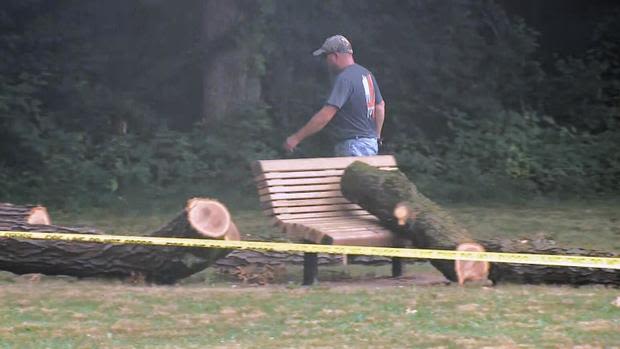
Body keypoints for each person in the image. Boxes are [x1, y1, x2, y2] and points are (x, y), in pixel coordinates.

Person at [283, 35, 386, 157]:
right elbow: (380, 106)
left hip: (353, 146)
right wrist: (376, 136)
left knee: (350, 176)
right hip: (370, 145)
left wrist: (296, 138)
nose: (326, 61)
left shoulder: (344, 79)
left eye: (326, 56)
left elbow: (325, 115)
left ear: (335, 56)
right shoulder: (367, 74)